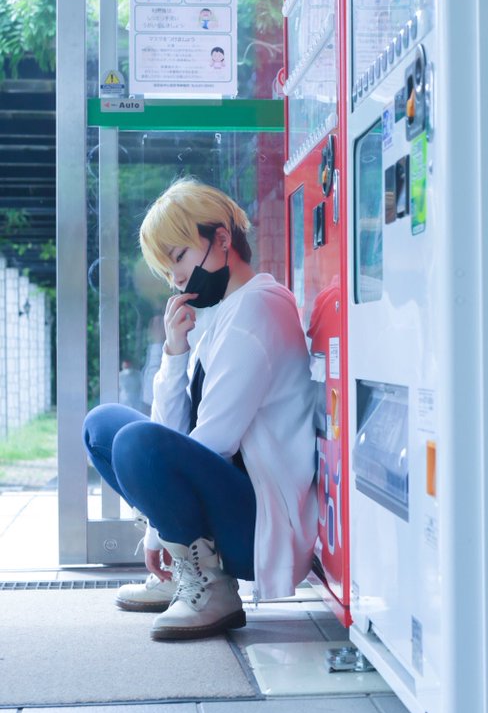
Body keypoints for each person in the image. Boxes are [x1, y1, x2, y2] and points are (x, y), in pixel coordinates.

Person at [82, 178, 317, 641]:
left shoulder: (257, 311)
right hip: (234, 502)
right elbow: (174, 429)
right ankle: (185, 568)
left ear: (222, 239)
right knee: (103, 426)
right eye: (167, 268)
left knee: (136, 443)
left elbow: (213, 441)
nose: (176, 278)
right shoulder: (221, 313)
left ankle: (211, 586)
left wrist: (157, 531)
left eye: (179, 257)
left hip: (262, 527)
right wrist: (174, 353)